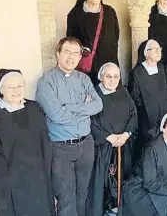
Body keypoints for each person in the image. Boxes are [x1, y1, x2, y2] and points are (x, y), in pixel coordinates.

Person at [36, 37, 103, 216]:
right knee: (66, 200)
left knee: (82, 195)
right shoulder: (46, 82)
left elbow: (97, 105)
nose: (71, 57)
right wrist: (83, 110)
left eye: (76, 53)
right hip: (61, 148)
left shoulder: (84, 79)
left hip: (86, 145)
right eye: (67, 51)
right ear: (58, 54)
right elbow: (56, 115)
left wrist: (69, 107)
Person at [0, 70, 54, 216]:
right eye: (11, 87)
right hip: (9, 177)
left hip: (38, 174)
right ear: (1, 89)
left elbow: (44, 138)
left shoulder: (35, 108)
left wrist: (47, 165)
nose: (17, 91)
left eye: (20, 86)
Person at [86, 63, 137, 216]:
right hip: (103, 148)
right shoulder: (93, 95)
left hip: (124, 145)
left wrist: (126, 134)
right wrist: (108, 137)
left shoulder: (123, 91)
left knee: (123, 181)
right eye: (108, 76)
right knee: (101, 184)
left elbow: (134, 114)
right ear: (100, 77)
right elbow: (90, 121)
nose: (112, 80)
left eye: (116, 76)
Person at [67, 0, 120, 85]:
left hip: (108, 60)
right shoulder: (75, 14)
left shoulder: (110, 12)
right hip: (87, 65)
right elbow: (70, 41)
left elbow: (116, 35)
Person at [128, 39, 167, 151]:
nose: (158, 52)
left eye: (159, 49)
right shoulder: (137, 72)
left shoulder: (162, 68)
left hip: (165, 113)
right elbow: (135, 98)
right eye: (154, 49)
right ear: (146, 53)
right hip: (147, 120)